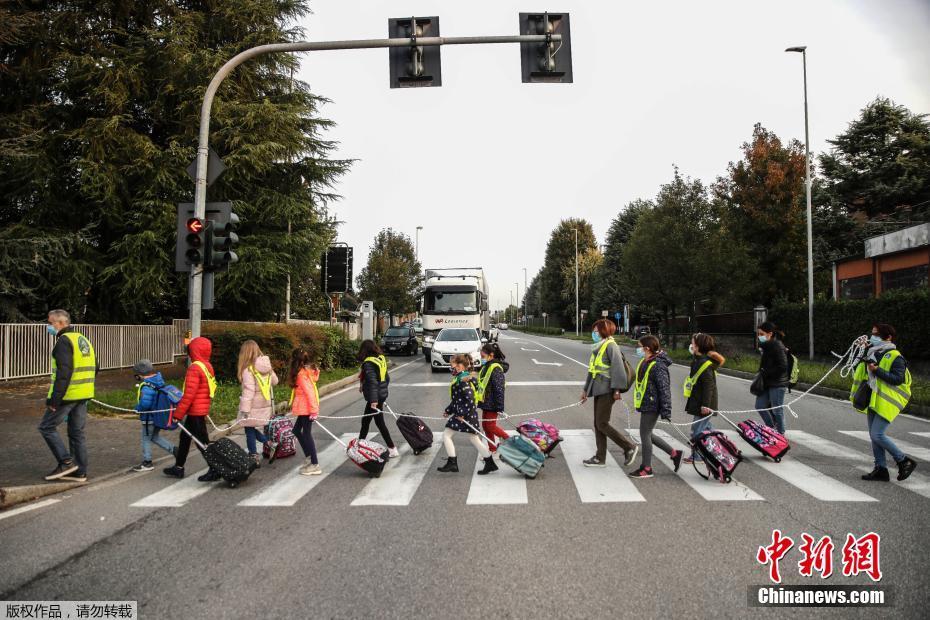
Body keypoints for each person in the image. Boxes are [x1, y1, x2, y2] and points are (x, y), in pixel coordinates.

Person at [852, 323, 917, 482]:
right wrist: (862, 351)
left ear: (888, 337)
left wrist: (877, 371)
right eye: (872, 334)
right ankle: (881, 469)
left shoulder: (896, 356)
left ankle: (903, 460)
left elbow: (898, 379)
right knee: (874, 436)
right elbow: (856, 370)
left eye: (877, 335)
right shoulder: (874, 353)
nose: (873, 337)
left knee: (877, 434)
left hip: (888, 402)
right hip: (874, 399)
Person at [40, 309, 97, 482]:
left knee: (46, 427)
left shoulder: (64, 341)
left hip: (68, 394)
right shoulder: (82, 339)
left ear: (61, 323)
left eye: (50, 323)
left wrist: (54, 400)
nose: (49, 326)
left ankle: (66, 462)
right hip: (84, 394)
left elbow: (63, 373)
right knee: (76, 432)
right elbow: (97, 366)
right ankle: (80, 472)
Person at [579, 318, 638, 468]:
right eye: (593, 331)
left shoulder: (611, 346)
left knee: (602, 423)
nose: (594, 333)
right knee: (598, 423)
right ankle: (600, 458)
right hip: (598, 389)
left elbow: (618, 369)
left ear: (604, 331)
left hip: (608, 390)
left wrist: (617, 390)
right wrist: (586, 389)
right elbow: (592, 370)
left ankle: (628, 447)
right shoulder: (598, 347)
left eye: (596, 331)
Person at [163, 336, 217, 481]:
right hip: (201, 409)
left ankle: (215, 469)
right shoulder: (207, 366)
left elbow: (189, 395)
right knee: (185, 438)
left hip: (195, 411)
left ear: (194, 351)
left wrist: (178, 414)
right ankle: (178, 467)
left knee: (202, 443)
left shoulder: (195, 368)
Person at [630, 335, 683, 478]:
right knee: (648, 433)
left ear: (646, 348)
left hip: (653, 404)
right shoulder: (645, 360)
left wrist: (666, 409)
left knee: (644, 434)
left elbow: (664, 388)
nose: (637, 348)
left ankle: (646, 468)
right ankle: (674, 453)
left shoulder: (658, 365)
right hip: (646, 402)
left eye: (639, 346)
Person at [437, 354, 497, 475]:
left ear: (459, 366)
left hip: (465, 414)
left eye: (452, 365)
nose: (451, 367)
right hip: (467, 413)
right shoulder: (462, 377)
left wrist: (461, 414)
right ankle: (490, 463)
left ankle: (452, 462)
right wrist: (448, 410)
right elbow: (457, 399)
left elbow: (469, 399)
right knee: (474, 439)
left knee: (447, 435)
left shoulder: (463, 380)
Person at [682, 334, 725, 465]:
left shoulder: (704, 363)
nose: (691, 345)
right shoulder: (698, 360)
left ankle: (698, 456)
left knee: (697, 430)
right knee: (707, 429)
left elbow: (709, 386)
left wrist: (706, 405)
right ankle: (718, 450)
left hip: (704, 404)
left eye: (693, 343)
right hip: (698, 401)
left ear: (698, 346)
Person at [236, 340, 279, 468]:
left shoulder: (248, 370)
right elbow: (275, 381)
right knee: (251, 429)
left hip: (252, 406)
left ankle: (253, 456)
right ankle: (270, 444)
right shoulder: (266, 366)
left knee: (249, 429)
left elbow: (249, 391)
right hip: (264, 405)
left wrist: (245, 409)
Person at [131, 358, 176, 472]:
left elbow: (145, 403)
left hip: (148, 417)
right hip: (157, 416)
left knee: (146, 438)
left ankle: (147, 462)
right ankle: (174, 450)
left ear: (141, 374)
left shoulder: (146, 386)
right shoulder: (158, 381)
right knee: (154, 437)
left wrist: (137, 408)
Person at [357, 339, 398, 457]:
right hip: (379, 395)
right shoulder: (380, 359)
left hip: (374, 398)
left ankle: (392, 448)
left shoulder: (369, 363)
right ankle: (360, 445)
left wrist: (374, 400)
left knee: (377, 423)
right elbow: (386, 378)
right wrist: (381, 391)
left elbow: (373, 382)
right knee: (367, 421)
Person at [470, 342, 510, 453]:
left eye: (483, 356)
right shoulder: (486, 366)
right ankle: (492, 449)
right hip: (486, 402)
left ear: (491, 355)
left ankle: (510, 440)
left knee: (490, 426)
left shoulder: (496, 368)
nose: (482, 358)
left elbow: (499, 389)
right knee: (486, 426)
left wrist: (499, 407)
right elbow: (482, 384)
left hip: (493, 404)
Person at [289, 347, 322, 476]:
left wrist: (314, 411)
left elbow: (310, 393)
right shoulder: (305, 372)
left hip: (307, 408)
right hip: (304, 408)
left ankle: (315, 464)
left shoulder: (302, 375)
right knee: (296, 430)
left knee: (307, 434)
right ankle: (309, 457)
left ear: (295, 361)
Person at [755, 321, 789, 434]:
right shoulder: (766, 346)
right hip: (767, 382)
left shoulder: (777, 346)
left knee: (777, 410)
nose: (759, 336)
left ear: (769, 334)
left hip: (778, 383)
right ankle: (771, 428)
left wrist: (766, 372)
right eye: (758, 334)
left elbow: (783, 366)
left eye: (761, 334)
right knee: (760, 406)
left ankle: (781, 433)